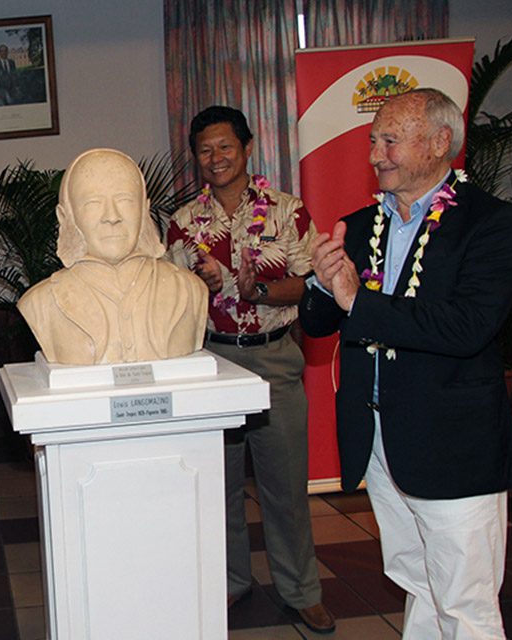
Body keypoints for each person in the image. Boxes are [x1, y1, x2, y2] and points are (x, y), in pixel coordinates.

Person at [301, 88, 512, 639]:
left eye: (390, 140)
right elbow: (316, 323)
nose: (376, 154)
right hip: (380, 439)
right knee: (417, 580)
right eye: (373, 140)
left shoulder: (489, 224)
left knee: (464, 599)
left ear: (440, 142)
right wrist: (322, 282)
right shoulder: (359, 225)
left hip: (454, 444)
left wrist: (357, 300)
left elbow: (467, 327)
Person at [165, 106, 334, 633]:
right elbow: (171, 294)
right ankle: (231, 584)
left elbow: (307, 284)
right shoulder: (184, 221)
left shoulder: (288, 211)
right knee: (219, 485)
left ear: (246, 147)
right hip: (211, 360)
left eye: (224, 147)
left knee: (284, 484)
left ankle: (301, 590)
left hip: (273, 359)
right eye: (204, 150)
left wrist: (251, 287)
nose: (215, 159)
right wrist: (202, 286)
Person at [17, 148, 207, 365]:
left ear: (144, 210)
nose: (112, 216)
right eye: (93, 204)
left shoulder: (190, 290)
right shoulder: (41, 302)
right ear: (66, 216)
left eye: (125, 200)